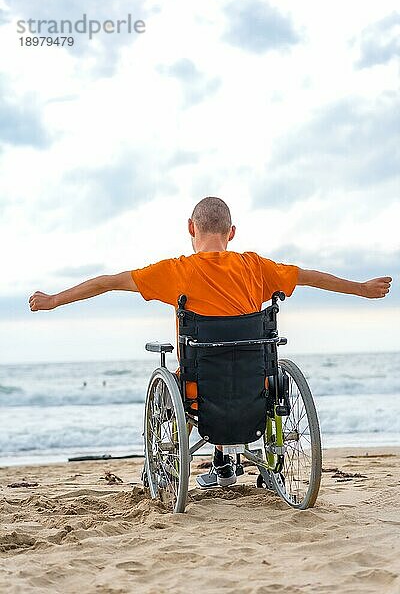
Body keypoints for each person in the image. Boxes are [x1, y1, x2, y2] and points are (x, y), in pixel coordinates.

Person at [29, 197, 392, 486]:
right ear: (232, 232)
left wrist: (54, 300)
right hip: (256, 384)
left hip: (197, 391)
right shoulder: (256, 267)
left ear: (191, 228)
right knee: (234, 363)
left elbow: (108, 281)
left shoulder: (175, 271)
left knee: (192, 374)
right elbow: (311, 277)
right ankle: (229, 461)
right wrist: (361, 289)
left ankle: (183, 464)